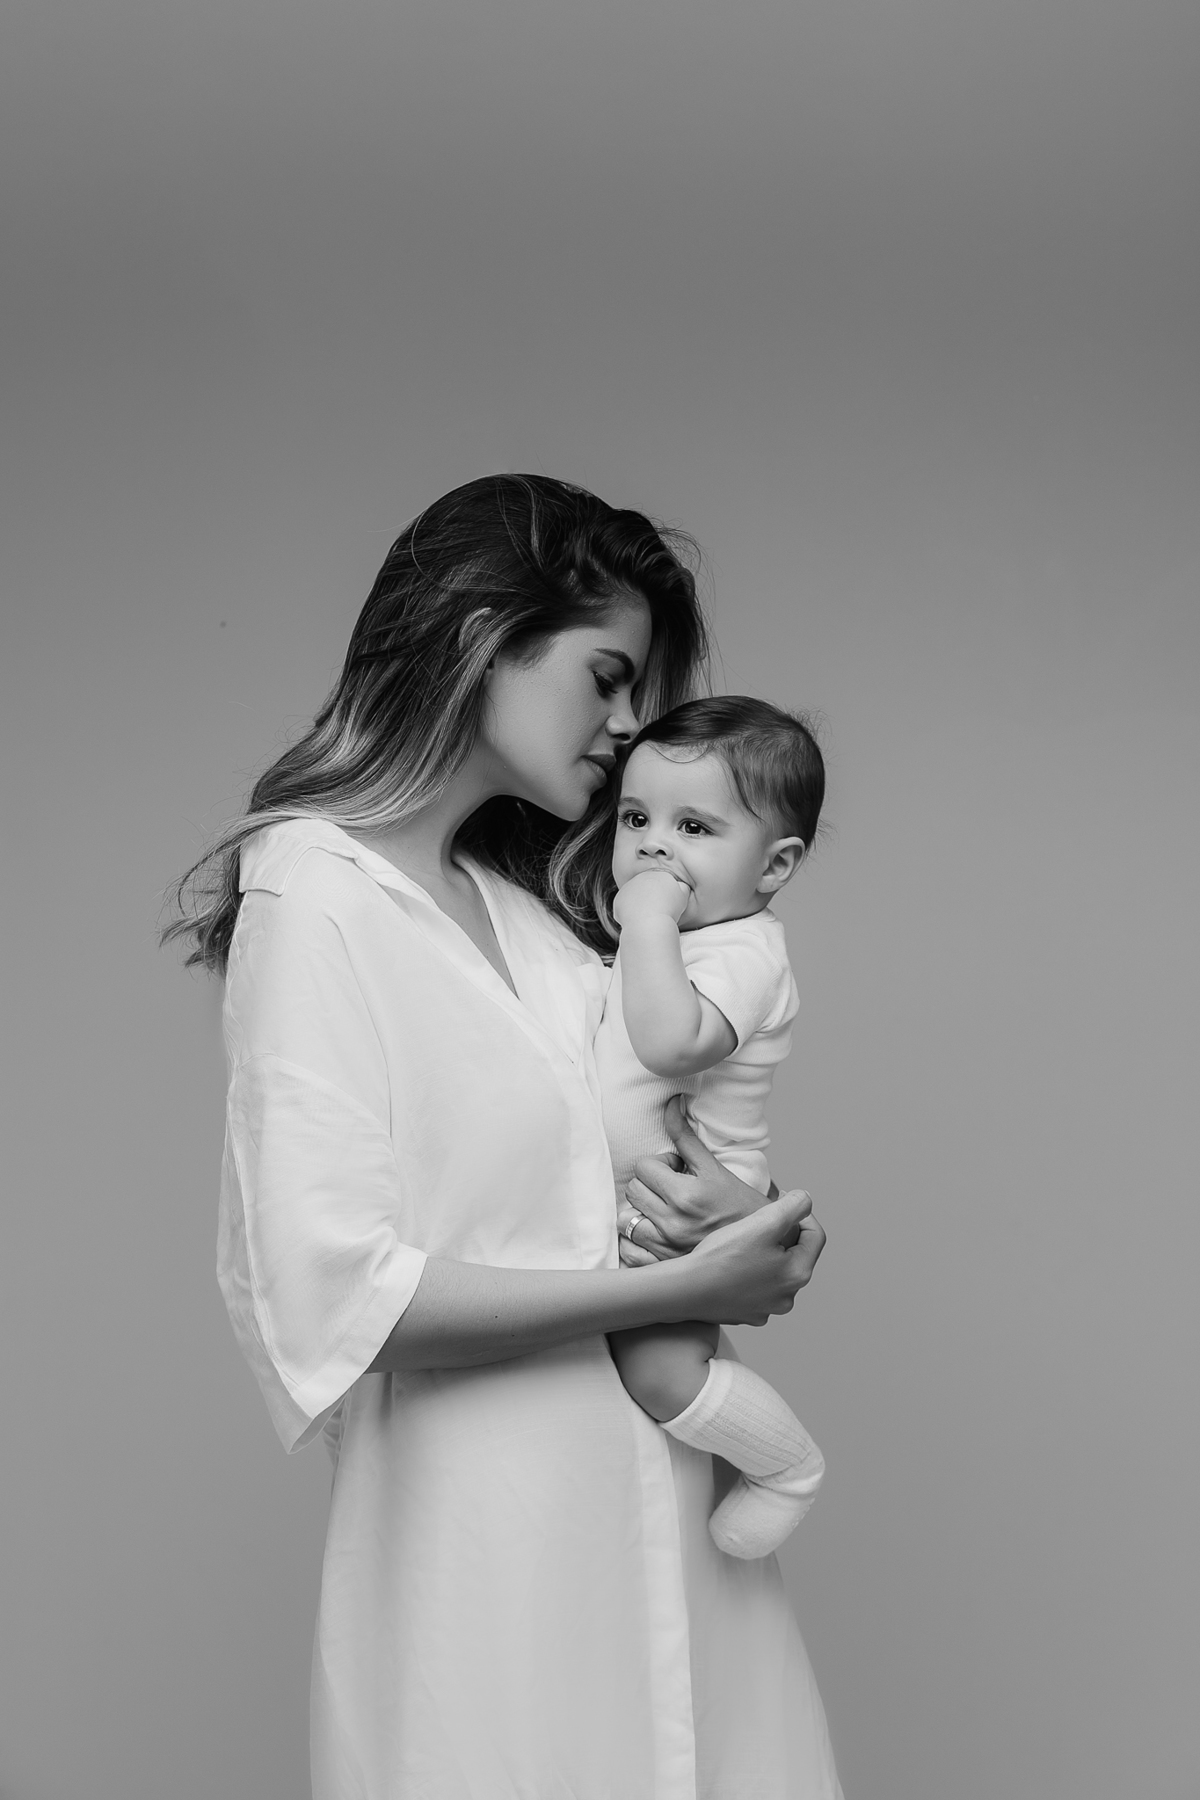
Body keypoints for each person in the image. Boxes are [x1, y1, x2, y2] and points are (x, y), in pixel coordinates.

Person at [167, 474, 843, 1799]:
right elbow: (334, 1293)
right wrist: (675, 1291)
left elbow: (642, 1145)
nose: (630, 724)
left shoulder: (533, 912)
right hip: (492, 1559)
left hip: (687, 1543)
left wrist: (757, 1232)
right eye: (607, 676)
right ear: (486, 636)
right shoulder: (315, 893)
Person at [598, 696, 828, 1560]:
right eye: (635, 818)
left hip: (694, 1213)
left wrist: (647, 920)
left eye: (693, 827)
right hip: (632, 1203)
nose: (654, 846)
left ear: (774, 866)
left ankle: (787, 1468)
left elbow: (670, 1043)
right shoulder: (667, 935)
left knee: (660, 1371)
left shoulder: (745, 952)